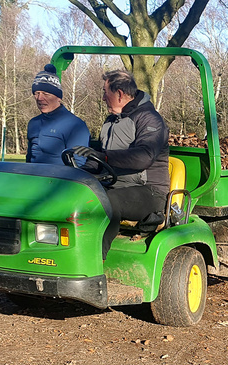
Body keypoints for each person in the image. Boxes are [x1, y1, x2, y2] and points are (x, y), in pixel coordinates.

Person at [72, 69, 170, 259]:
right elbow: (99, 162)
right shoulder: (111, 121)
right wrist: (77, 175)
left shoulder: (150, 119)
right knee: (75, 191)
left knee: (110, 202)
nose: (102, 98)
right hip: (116, 184)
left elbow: (144, 157)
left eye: (105, 92)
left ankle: (93, 261)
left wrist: (104, 156)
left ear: (119, 94)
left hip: (150, 191)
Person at [26, 64, 90, 165]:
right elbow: (28, 160)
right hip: (33, 178)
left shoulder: (75, 126)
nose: (40, 98)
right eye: (36, 93)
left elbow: (78, 166)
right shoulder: (33, 123)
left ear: (58, 98)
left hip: (60, 179)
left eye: (46, 94)